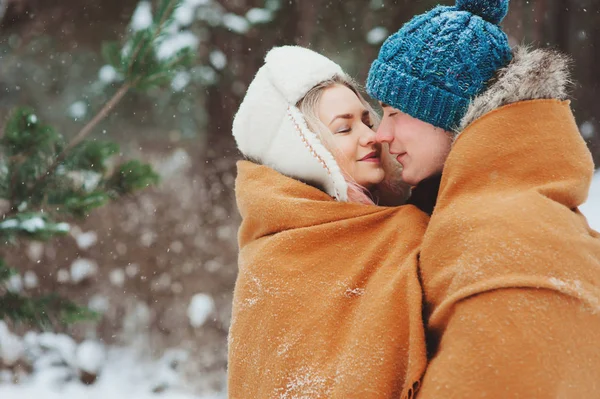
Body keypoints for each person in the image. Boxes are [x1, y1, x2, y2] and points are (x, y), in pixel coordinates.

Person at [366, 0, 600, 396]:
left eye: (393, 112)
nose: (381, 134)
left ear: (443, 111)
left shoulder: (511, 234)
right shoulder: (496, 209)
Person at [228, 46, 428, 399]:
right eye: (343, 128)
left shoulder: (407, 223)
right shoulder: (275, 257)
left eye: (367, 121)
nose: (372, 136)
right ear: (304, 149)